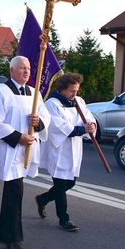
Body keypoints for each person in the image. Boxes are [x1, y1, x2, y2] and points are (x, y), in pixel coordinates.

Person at [0, 55, 50, 249]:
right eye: (21, 68)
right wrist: (17, 137)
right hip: (10, 149)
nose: (26, 71)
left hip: (27, 149)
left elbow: (46, 117)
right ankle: (14, 238)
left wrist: (38, 123)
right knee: (15, 192)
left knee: (13, 191)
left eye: (28, 68)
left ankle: (4, 231)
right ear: (11, 71)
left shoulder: (34, 93)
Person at [35, 73, 96, 232]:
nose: (75, 94)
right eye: (71, 91)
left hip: (74, 149)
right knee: (61, 185)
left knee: (71, 182)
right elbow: (59, 127)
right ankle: (64, 219)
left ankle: (42, 199)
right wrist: (82, 129)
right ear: (62, 89)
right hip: (59, 149)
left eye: (76, 90)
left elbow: (89, 118)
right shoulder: (52, 104)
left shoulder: (79, 101)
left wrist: (91, 126)